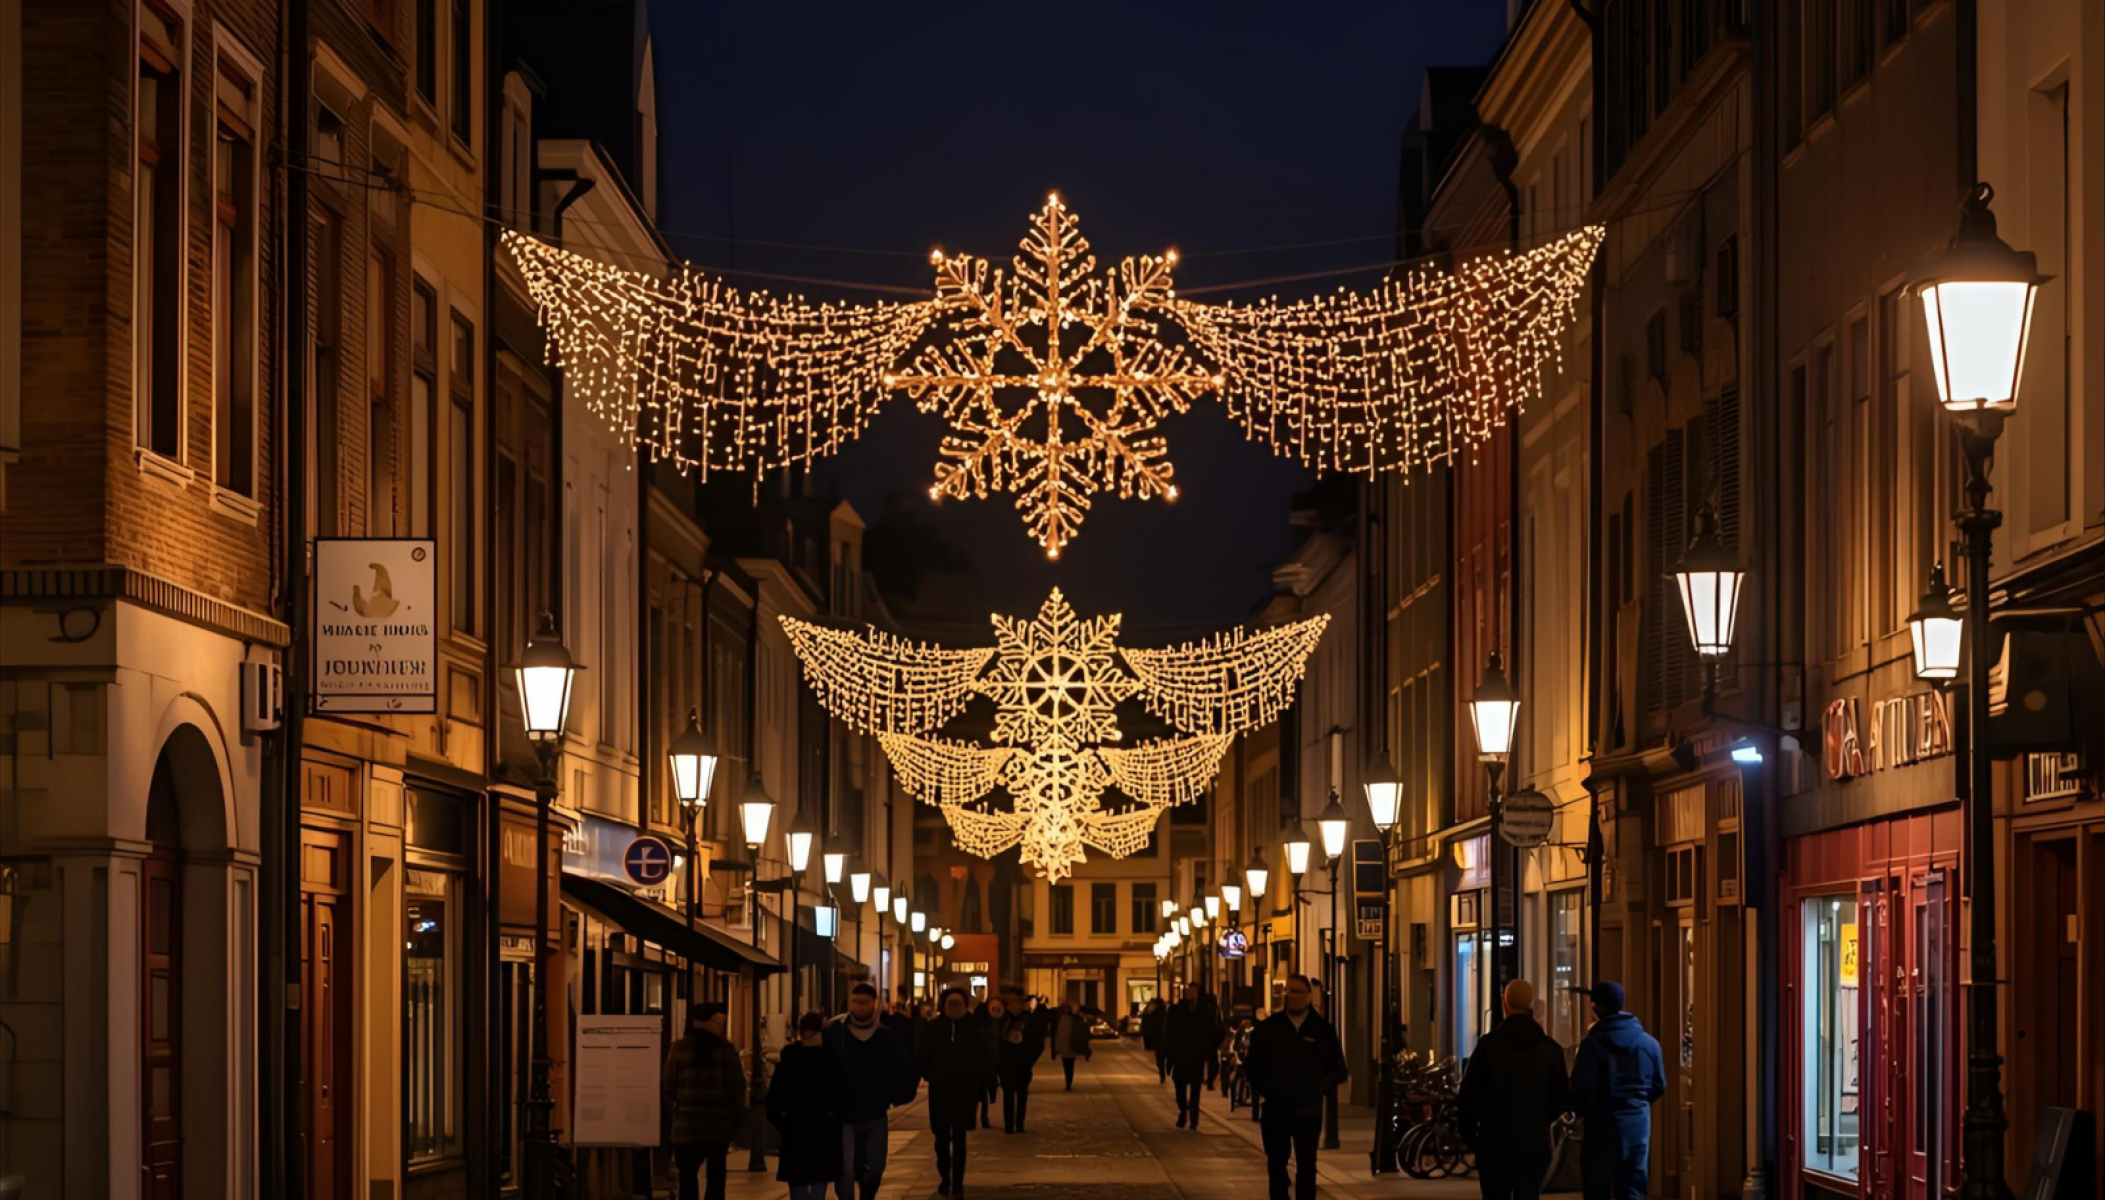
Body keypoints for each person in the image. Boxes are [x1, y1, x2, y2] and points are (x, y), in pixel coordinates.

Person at [1457, 980, 1572, 1200]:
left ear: (1505, 1004)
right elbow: (1561, 1098)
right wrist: (1542, 1118)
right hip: (1533, 1141)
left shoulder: (1488, 1046)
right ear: (1531, 1005)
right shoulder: (1550, 1050)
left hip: (1495, 1141)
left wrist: (1471, 1133)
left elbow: (1469, 1094)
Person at [1243, 974, 1347, 1200]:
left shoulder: (1322, 1030)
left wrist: (1319, 1087)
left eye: (1297, 991)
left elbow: (1339, 1070)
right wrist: (1267, 1089)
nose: (1292, 996)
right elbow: (1252, 1066)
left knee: (1307, 1165)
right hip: (1276, 1108)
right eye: (1289, 991)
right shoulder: (1270, 1028)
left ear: (1309, 995)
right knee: (1277, 1163)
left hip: (1308, 1109)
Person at [1570, 981, 1667, 1200]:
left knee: (1597, 1187)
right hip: (1637, 1126)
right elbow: (1659, 1085)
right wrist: (1637, 1104)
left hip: (1600, 1127)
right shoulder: (1649, 1044)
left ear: (1595, 1009)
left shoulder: (1592, 1044)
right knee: (1633, 1189)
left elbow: (1580, 1089)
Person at [823, 982, 917, 1200]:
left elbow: (899, 1067)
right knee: (844, 1172)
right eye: (855, 1002)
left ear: (874, 1004)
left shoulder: (886, 1036)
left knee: (875, 1167)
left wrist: (895, 1094)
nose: (859, 1007)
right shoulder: (836, 1033)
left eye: (864, 1002)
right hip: (843, 1114)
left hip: (875, 1112)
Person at [664, 1001, 747, 1200]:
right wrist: (735, 1124)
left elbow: (668, 1086)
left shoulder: (678, 1049)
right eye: (718, 1022)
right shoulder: (726, 1050)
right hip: (717, 1127)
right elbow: (738, 1089)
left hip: (686, 1127)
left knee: (687, 1178)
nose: (721, 1027)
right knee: (716, 1178)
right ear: (708, 1023)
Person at [920, 987, 993, 1197]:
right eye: (950, 1003)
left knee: (960, 1138)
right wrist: (929, 1074)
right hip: (940, 1090)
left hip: (965, 1090)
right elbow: (922, 1053)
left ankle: (958, 1181)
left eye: (957, 1003)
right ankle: (945, 1177)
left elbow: (984, 1056)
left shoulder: (974, 1028)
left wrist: (979, 1079)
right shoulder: (933, 1028)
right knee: (941, 1136)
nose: (953, 1007)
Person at [767, 1012, 846, 1200]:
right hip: (825, 1130)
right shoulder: (831, 1057)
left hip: (796, 1131)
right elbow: (843, 1094)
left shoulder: (789, 1057)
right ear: (820, 1031)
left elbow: (774, 1098)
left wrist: (783, 1123)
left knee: (798, 1184)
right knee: (819, 1181)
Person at [1163, 982, 1220, 1128]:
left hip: (1196, 1056)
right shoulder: (1176, 1010)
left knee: (1195, 1088)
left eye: (1194, 991)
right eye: (1189, 991)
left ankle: (1194, 1117)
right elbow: (1169, 1034)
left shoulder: (1204, 1011)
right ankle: (1183, 1110)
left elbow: (1211, 1034)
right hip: (1180, 1055)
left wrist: (1210, 1055)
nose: (1191, 994)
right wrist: (1169, 1058)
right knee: (1180, 1087)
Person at [994, 986, 1043, 1132]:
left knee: (1022, 1095)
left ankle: (1020, 1124)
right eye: (1009, 1001)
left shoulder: (1030, 1020)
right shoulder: (1002, 1020)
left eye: (1015, 1000)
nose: (1012, 1004)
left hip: (1023, 1064)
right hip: (1006, 1064)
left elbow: (1038, 1043)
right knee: (1008, 1095)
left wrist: (1030, 1060)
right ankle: (1009, 1125)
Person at [1051, 999, 1092, 1091]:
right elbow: (1083, 1032)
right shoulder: (1076, 1020)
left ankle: (1068, 1082)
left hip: (1064, 1046)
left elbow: (1056, 1034)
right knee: (1070, 1066)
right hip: (1071, 1046)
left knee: (1066, 1065)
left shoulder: (1060, 1019)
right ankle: (1068, 1083)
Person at [1140, 997, 1169, 1082]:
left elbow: (1146, 1025)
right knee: (1164, 1056)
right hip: (1163, 1038)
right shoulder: (1165, 1013)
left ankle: (1162, 1072)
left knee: (1160, 1058)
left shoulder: (1152, 1013)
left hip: (1158, 1039)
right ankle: (1164, 1070)